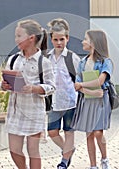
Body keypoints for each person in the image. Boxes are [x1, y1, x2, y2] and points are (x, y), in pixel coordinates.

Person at [0, 19, 55, 169]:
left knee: (33, 151)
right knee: (14, 151)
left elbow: (51, 86)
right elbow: (4, 81)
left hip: (33, 112)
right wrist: (3, 85)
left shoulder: (44, 62)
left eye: (19, 35)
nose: (15, 39)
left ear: (31, 38)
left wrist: (34, 88)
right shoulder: (13, 59)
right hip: (15, 111)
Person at [71, 30, 113, 169]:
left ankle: (104, 159)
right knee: (89, 133)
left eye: (85, 39)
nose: (83, 41)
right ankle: (93, 165)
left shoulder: (106, 62)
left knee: (98, 132)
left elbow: (100, 81)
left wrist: (82, 85)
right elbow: (77, 85)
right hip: (87, 100)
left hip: (101, 102)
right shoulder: (82, 62)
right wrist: (90, 91)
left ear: (94, 42)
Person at [46, 18, 80, 169]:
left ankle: (64, 162)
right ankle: (69, 149)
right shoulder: (46, 57)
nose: (59, 42)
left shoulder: (72, 58)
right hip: (53, 102)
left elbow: (80, 79)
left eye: (62, 39)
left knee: (69, 132)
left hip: (70, 102)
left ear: (67, 38)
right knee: (52, 132)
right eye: (55, 39)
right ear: (51, 39)